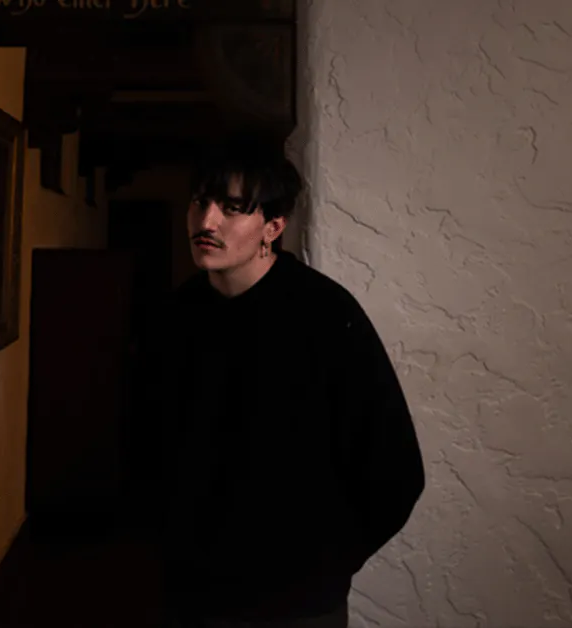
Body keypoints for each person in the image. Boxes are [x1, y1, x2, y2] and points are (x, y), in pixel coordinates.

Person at [133, 138, 425, 628]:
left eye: (232, 208)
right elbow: (142, 441)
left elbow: (395, 469)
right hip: (193, 596)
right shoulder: (173, 317)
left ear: (273, 226)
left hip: (296, 605)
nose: (207, 222)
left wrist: (324, 565)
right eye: (200, 202)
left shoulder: (327, 316)